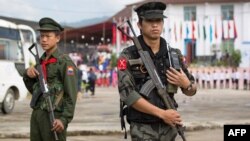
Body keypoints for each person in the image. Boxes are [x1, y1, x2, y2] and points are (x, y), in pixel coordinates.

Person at [117, 2, 197, 141]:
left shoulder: (174, 55)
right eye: (149, 21)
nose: (155, 25)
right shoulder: (128, 56)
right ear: (140, 25)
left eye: (159, 20)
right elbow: (128, 95)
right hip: (143, 129)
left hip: (170, 128)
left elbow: (192, 90)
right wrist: (162, 114)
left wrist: (186, 85)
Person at [23, 17, 78, 141]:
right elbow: (35, 91)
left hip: (54, 117)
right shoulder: (40, 62)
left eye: (48, 36)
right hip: (37, 115)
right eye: (41, 36)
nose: (43, 40)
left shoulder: (64, 62)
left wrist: (64, 120)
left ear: (57, 38)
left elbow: (71, 96)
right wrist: (28, 74)